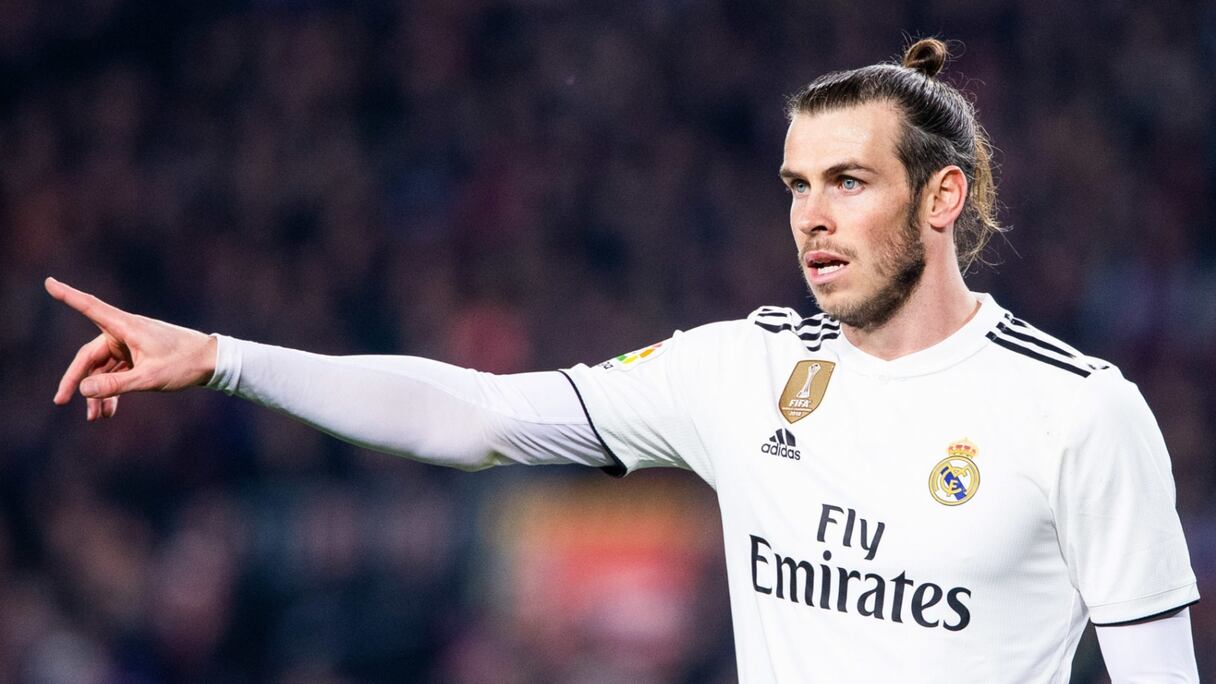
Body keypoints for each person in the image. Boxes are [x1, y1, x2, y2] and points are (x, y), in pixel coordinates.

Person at [47, 39, 1199, 682]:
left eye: (848, 182)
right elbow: (478, 416)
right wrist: (225, 357)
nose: (810, 216)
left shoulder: (1079, 415)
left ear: (943, 197)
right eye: (796, 185)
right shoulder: (742, 370)